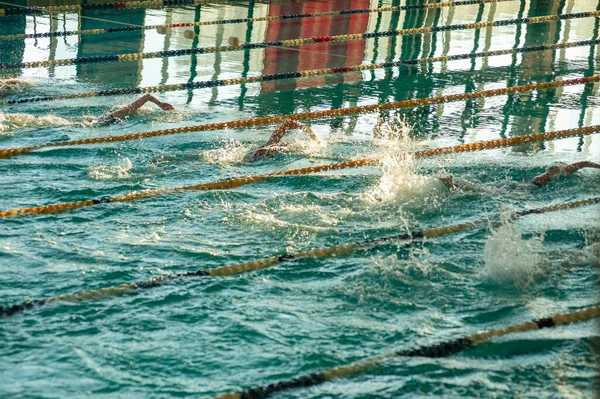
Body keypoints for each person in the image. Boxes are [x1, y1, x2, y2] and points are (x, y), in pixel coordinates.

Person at [0, 93, 174, 132]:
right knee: (58, 123)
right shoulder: (127, 111)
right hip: (103, 121)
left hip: (101, 120)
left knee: (57, 122)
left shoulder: (127, 112)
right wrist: (160, 104)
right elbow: (147, 97)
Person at [438, 161, 600, 190]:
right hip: (520, 189)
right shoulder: (554, 173)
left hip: (513, 183)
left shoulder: (542, 174)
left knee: (483, 187)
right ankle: (453, 186)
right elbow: (583, 163)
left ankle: (455, 184)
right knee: (483, 191)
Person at [243, 120, 320, 163]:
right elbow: (289, 123)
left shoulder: (273, 145)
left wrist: (311, 135)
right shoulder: (272, 144)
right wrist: (313, 136)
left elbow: (289, 123)